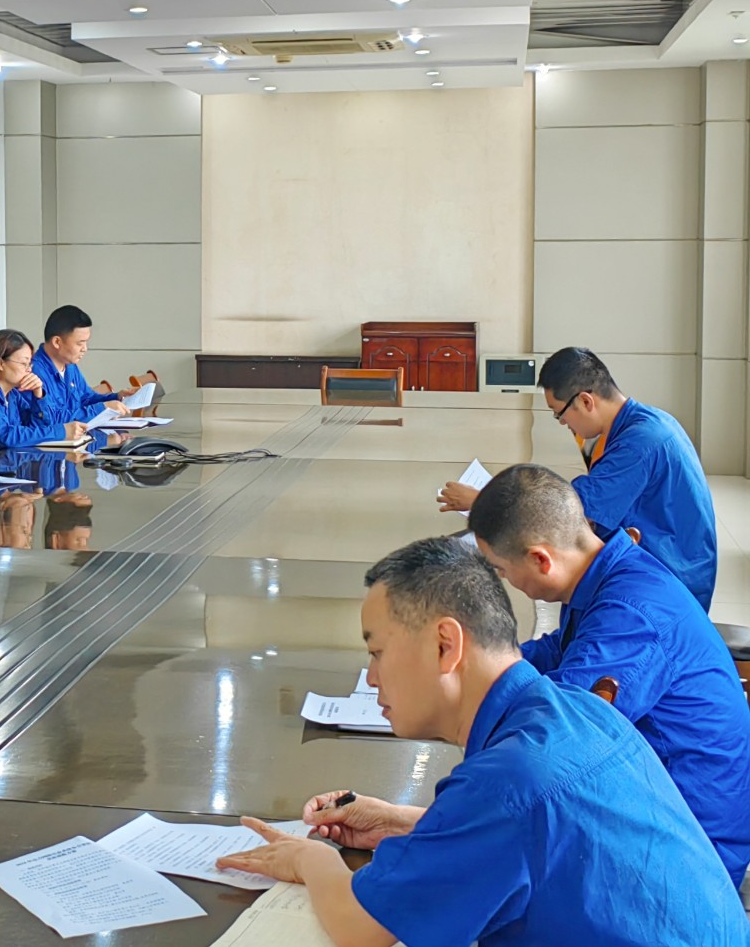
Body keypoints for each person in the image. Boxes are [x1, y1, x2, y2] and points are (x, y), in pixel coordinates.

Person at [217, 536, 747, 947]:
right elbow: (550, 834)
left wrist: (309, 860)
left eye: (377, 653)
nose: (372, 677)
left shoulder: (505, 782)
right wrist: (405, 823)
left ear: (446, 645)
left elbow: (361, 927)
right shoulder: (576, 711)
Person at [469, 464, 750, 882]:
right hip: (667, 811)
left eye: (502, 570)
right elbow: (559, 652)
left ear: (540, 559)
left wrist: (459, 701)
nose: (506, 580)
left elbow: (554, 734)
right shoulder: (608, 573)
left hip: (692, 853)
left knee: (486, 863)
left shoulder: (632, 615)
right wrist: (476, 665)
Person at [439, 347, 716, 610]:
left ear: (585, 401)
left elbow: (569, 510)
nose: (562, 422)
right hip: (675, 561)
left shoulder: (639, 443)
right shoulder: (646, 421)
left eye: (559, 413)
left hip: (670, 581)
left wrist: (482, 501)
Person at [0, 330, 88, 461]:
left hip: (1, 466)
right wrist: (61, 431)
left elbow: (35, 427)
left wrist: (39, 395)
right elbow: (6, 437)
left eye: (30, 364)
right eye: (24, 363)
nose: (29, 370)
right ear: (1, 363)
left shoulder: (12, 393)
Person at [30, 305, 129, 425]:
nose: (85, 349)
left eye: (86, 342)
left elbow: (86, 398)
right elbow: (51, 419)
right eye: (80, 343)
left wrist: (117, 397)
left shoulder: (69, 365)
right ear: (57, 342)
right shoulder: (33, 372)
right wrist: (101, 409)